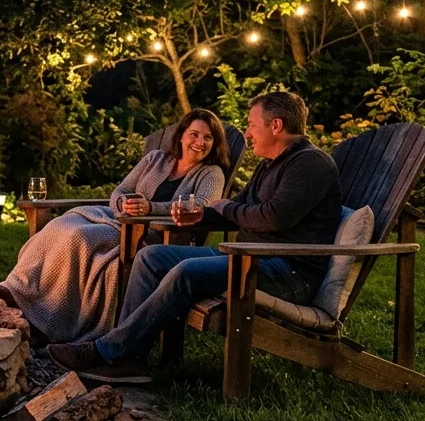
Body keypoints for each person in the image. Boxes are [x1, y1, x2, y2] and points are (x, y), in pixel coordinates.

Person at [46, 91, 342, 383]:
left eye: (252, 125)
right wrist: (201, 216)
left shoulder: (310, 163)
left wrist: (225, 206)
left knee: (186, 272)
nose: (248, 133)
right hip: (246, 257)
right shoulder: (270, 164)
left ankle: (108, 351)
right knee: (151, 257)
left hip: (286, 271)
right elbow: (236, 210)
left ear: (275, 125)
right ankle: (131, 358)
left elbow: (273, 217)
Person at [0, 109, 229, 343]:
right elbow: (122, 190)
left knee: (79, 237)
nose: (200, 142)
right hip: (117, 219)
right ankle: (13, 291)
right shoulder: (156, 159)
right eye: (194, 134)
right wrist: (124, 205)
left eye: (208, 138)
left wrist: (149, 208)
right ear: (181, 135)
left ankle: (47, 322)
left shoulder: (211, 173)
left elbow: (199, 207)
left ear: (214, 143)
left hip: (151, 236)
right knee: (58, 226)